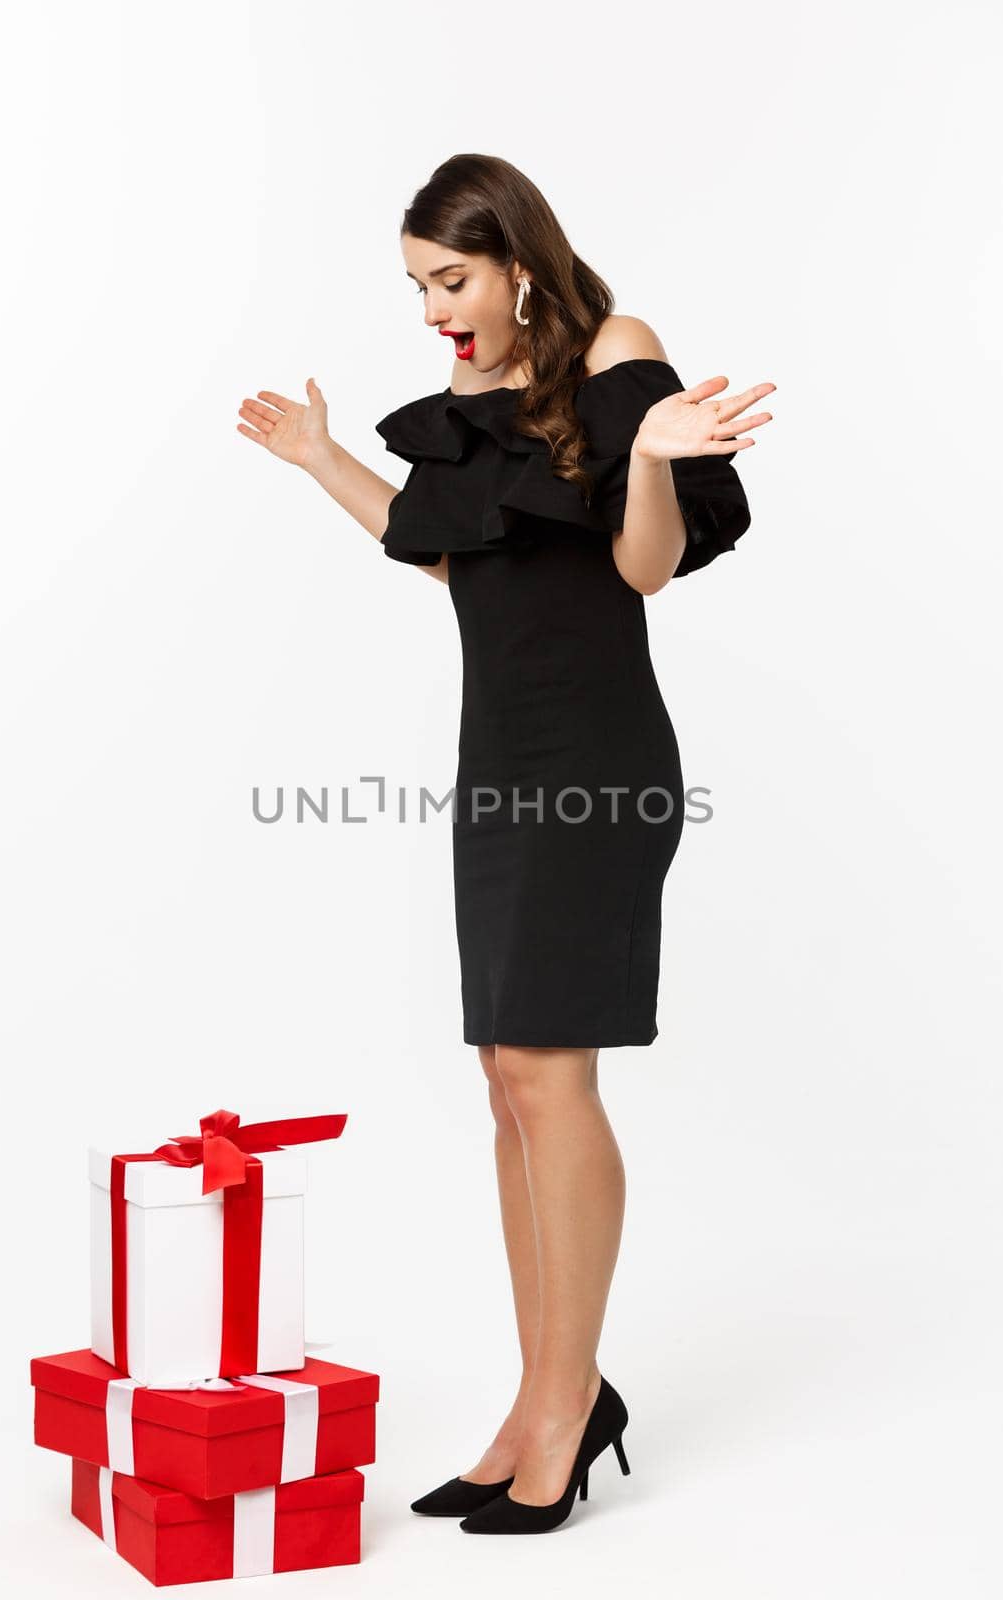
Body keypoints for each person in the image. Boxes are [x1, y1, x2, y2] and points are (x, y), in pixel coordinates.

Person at [236, 153, 775, 1536]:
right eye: (418, 286)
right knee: (507, 1081)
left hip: (596, 759)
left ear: (520, 263)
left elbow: (642, 566)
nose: (433, 311)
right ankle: (547, 1397)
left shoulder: (615, 350)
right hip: (500, 761)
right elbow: (452, 557)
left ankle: (568, 1399)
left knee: (550, 1074)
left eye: (452, 281)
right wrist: (319, 461)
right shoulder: (475, 396)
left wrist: (651, 457)